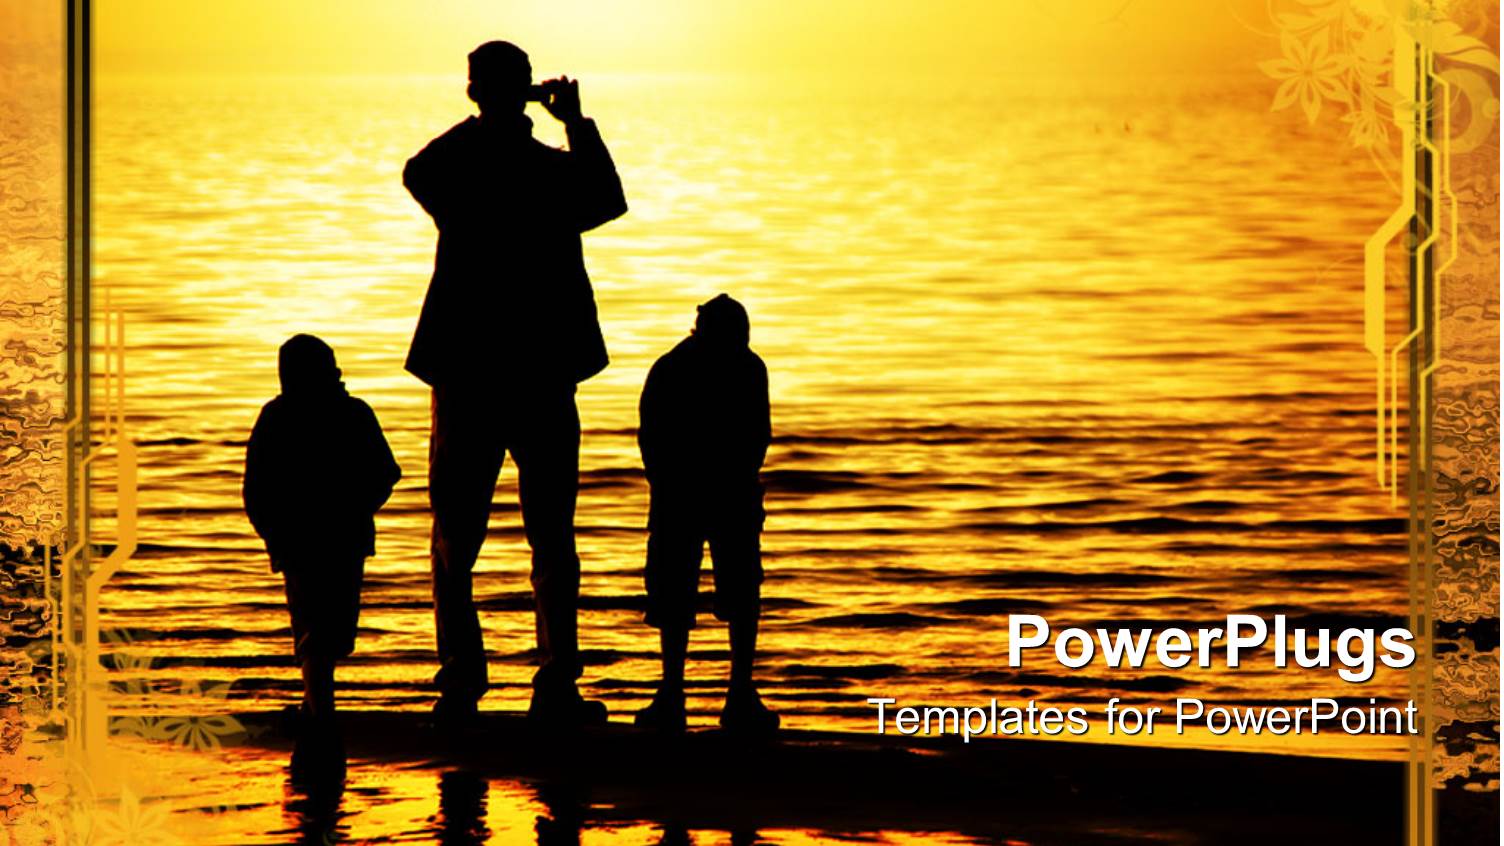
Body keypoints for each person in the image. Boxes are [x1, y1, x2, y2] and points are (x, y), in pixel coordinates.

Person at [402, 40, 627, 726]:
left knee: (474, 537)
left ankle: (481, 681)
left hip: (490, 372)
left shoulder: (475, 165)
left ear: (474, 92)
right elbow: (606, 196)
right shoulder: (544, 171)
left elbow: (421, 170)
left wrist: (510, 117)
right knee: (529, 535)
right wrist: (573, 123)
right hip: (522, 372)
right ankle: (534, 679)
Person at [634, 295, 779, 733]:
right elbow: (757, 435)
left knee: (717, 592)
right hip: (700, 492)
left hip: (701, 492)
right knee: (691, 593)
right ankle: (704, 693)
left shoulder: (681, 366)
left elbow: (651, 436)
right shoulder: (729, 367)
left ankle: (712, 693)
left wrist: (667, 480)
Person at [243, 334, 401, 732]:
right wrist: (357, 509)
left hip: (313, 538)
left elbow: (255, 490)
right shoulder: (347, 413)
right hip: (324, 539)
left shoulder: (281, 416)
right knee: (324, 630)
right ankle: (319, 712)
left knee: (323, 630)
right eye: (329, 366)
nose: (338, 372)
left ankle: (315, 703)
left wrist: (273, 534)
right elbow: (386, 473)